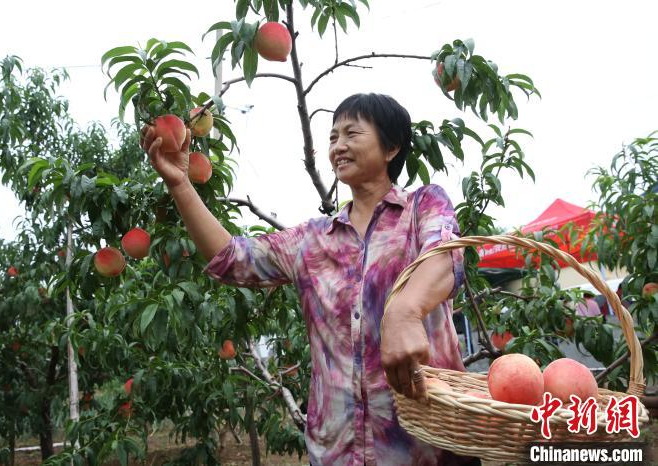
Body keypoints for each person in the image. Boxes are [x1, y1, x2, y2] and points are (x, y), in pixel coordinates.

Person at [140, 93, 477, 466]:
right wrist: (181, 185)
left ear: (392, 147)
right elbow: (232, 259)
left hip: (427, 448)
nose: (338, 146)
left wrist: (404, 311)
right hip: (338, 453)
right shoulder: (313, 240)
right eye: (333, 137)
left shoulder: (422, 207)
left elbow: (445, 256)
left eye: (352, 133)